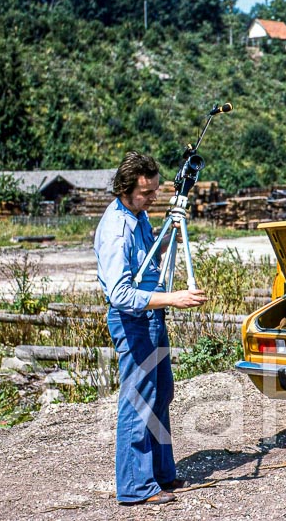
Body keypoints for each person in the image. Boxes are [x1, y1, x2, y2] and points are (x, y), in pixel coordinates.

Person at [94, 152, 207, 505]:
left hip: (151, 317)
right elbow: (120, 293)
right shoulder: (115, 229)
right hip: (132, 321)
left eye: (156, 191)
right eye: (146, 193)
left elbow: (148, 265)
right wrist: (173, 298)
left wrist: (171, 230)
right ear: (126, 189)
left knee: (161, 394)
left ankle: (161, 474)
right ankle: (134, 486)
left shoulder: (139, 217)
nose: (152, 198)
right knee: (138, 401)